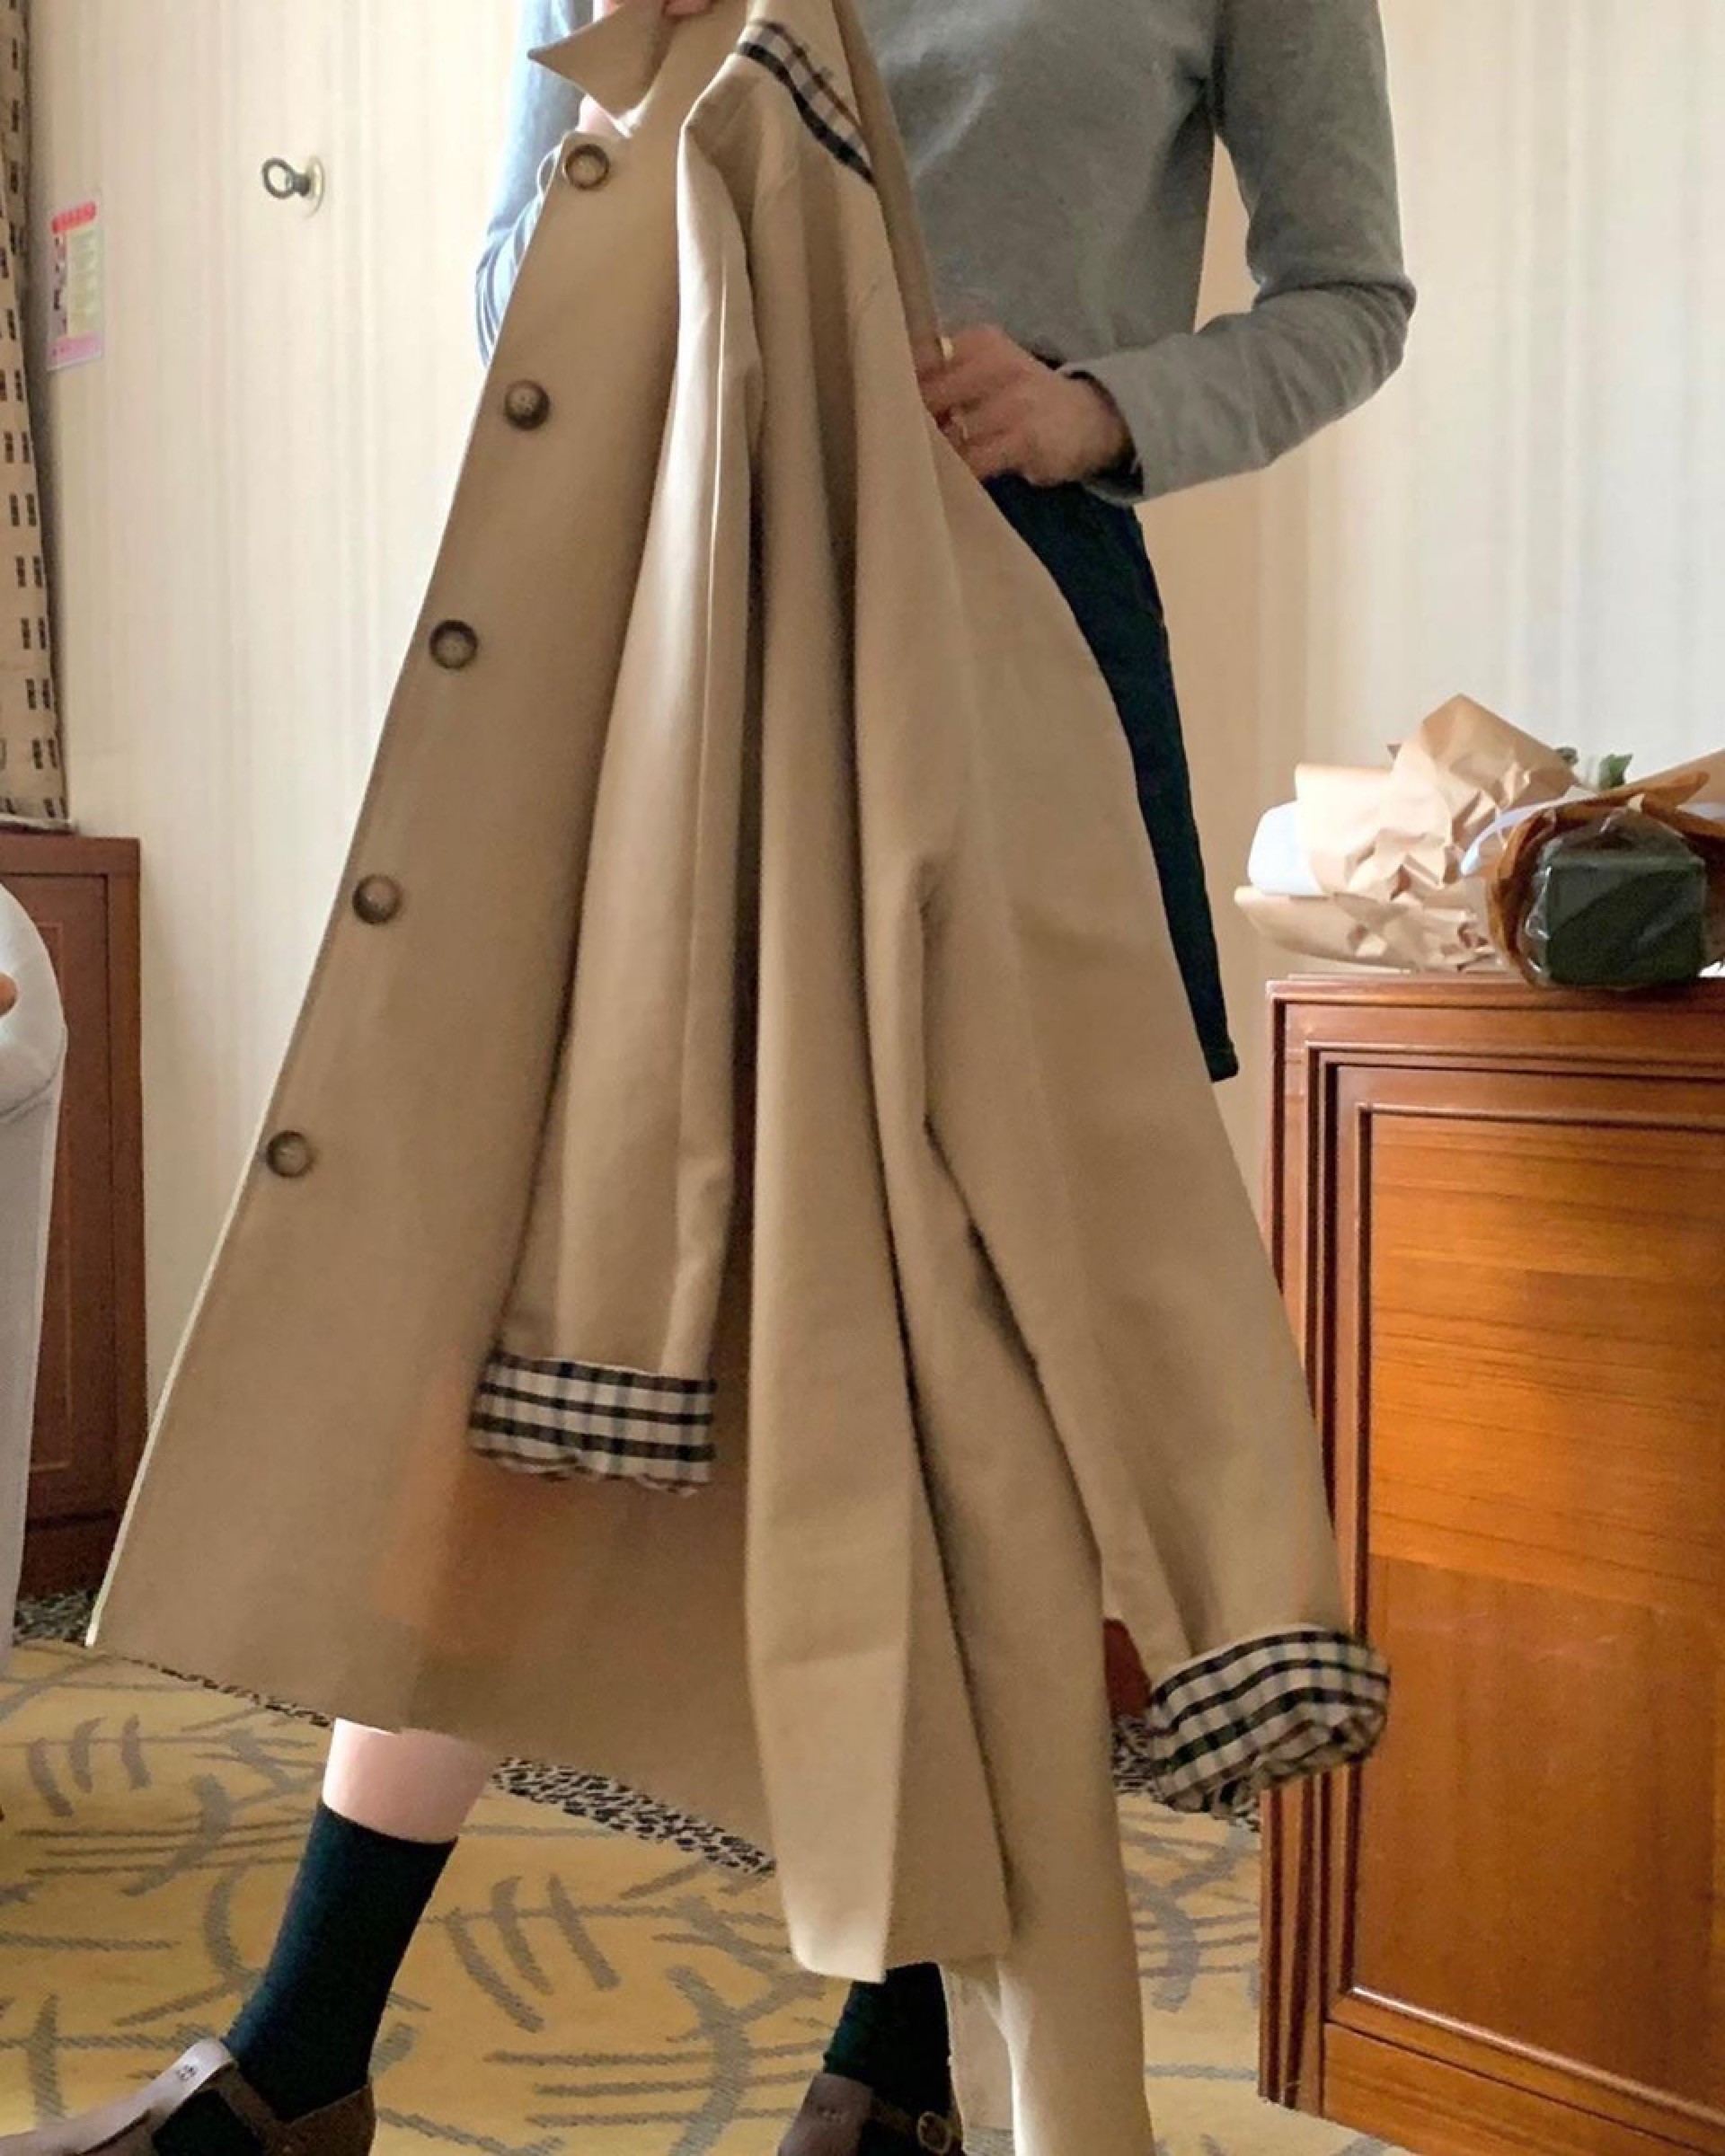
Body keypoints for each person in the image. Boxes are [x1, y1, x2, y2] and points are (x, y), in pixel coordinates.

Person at [6, 4, 1410, 2155]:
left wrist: (1097, 405)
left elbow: (1348, 299)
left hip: (1013, 631)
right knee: (542, 1332)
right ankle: (298, 2056)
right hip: (677, 630)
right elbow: (520, 282)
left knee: (981, 1395)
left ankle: (888, 2076)